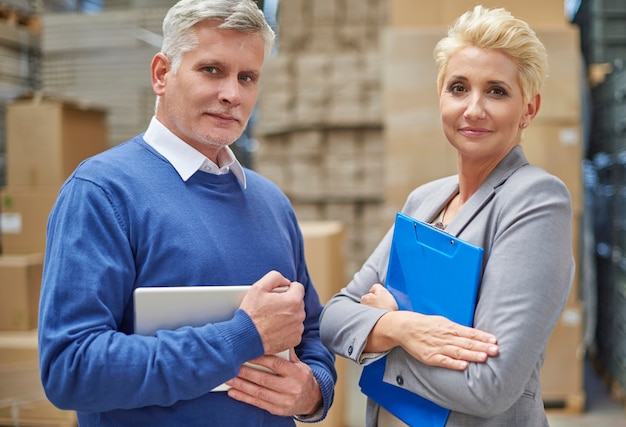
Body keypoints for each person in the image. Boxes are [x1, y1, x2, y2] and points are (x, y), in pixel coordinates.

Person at [37, 1, 336, 426]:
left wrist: (314, 390)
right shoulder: (102, 193)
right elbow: (71, 369)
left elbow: (309, 333)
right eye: (212, 70)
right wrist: (242, 337)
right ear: (162, 74)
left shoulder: (271, 203)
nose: (232, 93)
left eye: (246, 77)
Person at [320, 5, 574, 426]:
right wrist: (402, 329)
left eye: (497, 91)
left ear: (529, 109)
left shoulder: (535, 200)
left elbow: (488, 384)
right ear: (441, 96)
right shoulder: (425, 200)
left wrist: (383, 333)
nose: (473, 108)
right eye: (458, 88)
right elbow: (334, 316)